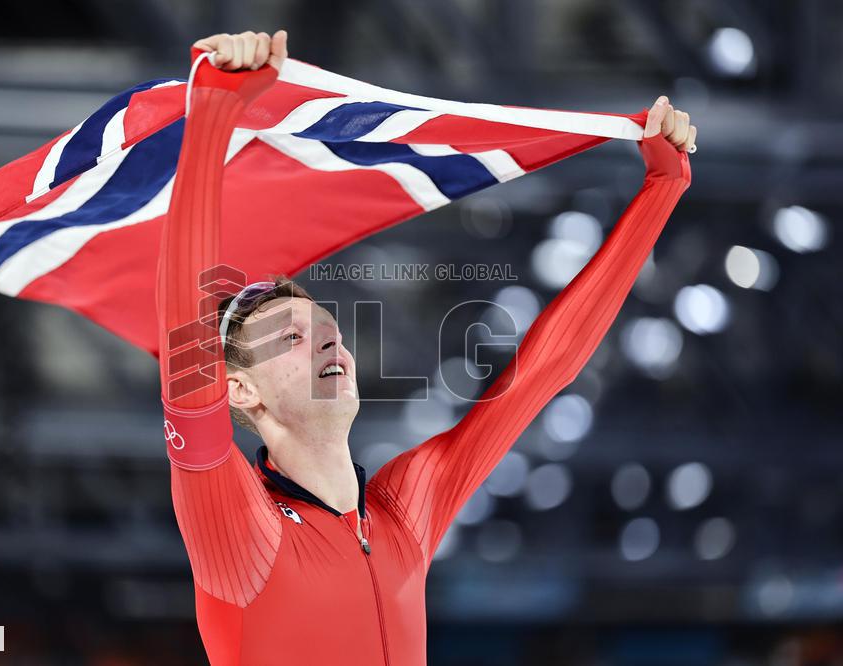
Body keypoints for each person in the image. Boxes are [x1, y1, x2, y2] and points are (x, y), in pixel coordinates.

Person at [156, 29, 695, 666]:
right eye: (294, 337)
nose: (329, 342)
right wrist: (214, 111)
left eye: (329, 329)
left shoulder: (402, 513)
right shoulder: (241, 530)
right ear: (240, 388)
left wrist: (662, 190)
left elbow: (540, 375)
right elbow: (185, 353)